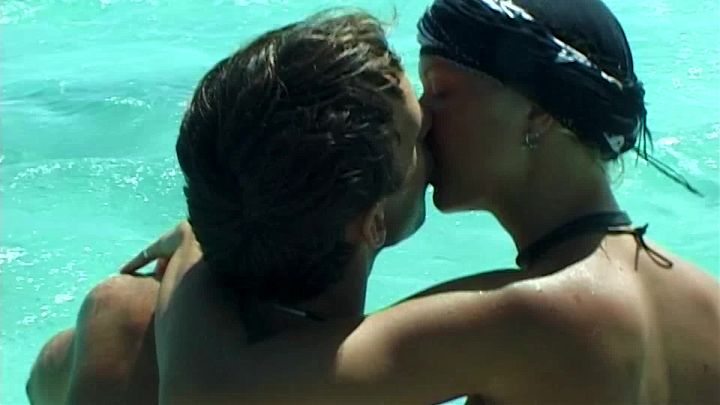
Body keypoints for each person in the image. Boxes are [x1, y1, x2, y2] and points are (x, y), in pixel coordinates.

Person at [146, 0, 720, 404]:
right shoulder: (705, 301)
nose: (421, 113)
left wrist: (198, 248)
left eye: (441, 91)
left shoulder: (530, 315)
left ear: (538, 113)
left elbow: (206, 395)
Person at [26, 9, 431, 405]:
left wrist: (193, 253)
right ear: (373, 222)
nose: (432, 123)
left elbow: (40, 380)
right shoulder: (400, 378)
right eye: (416, 136)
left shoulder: (122, 316)